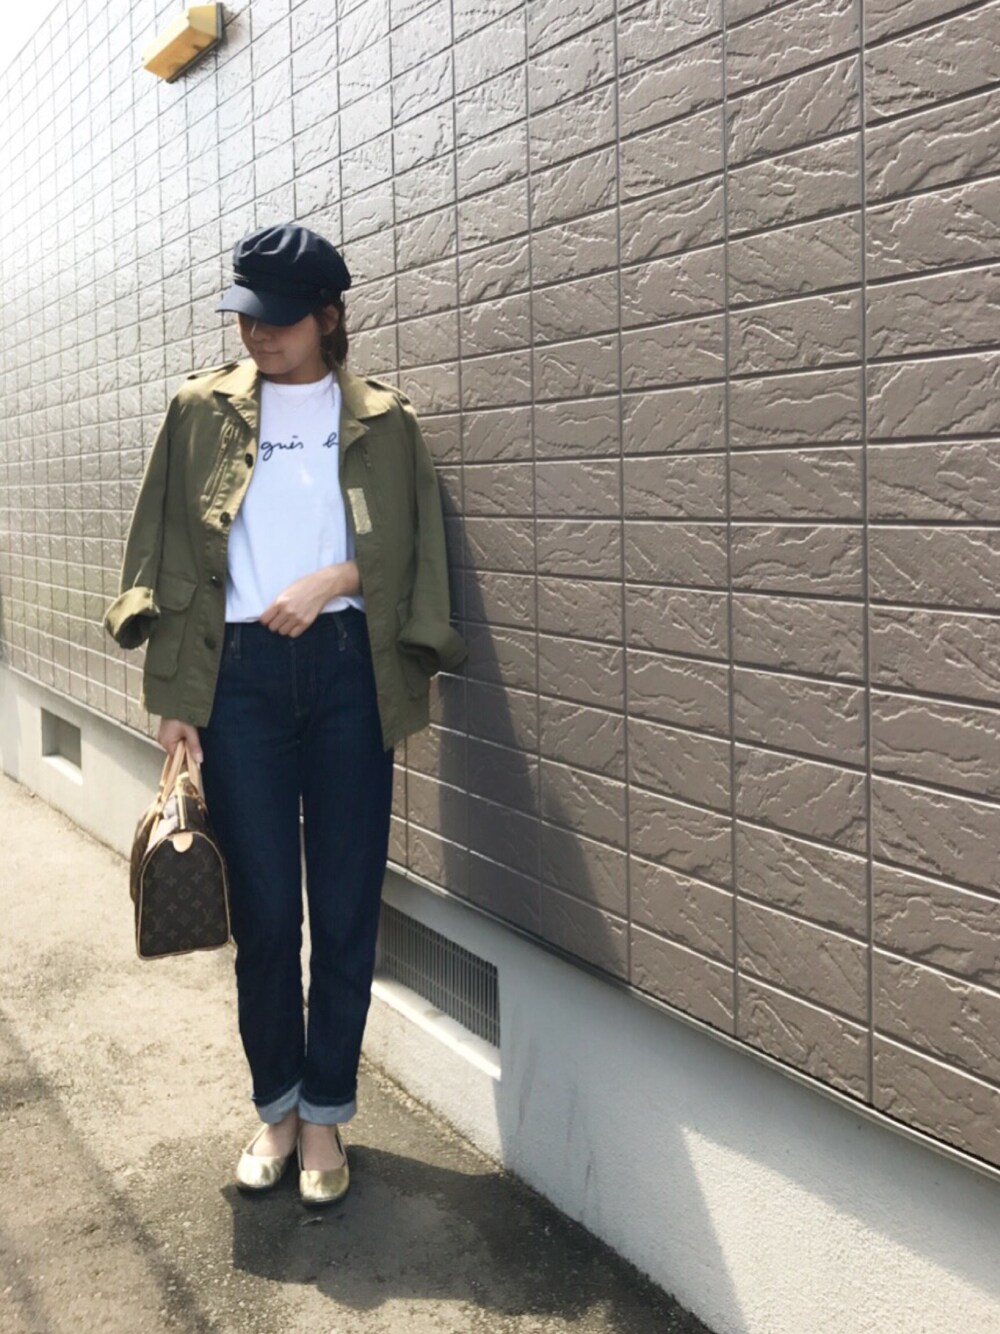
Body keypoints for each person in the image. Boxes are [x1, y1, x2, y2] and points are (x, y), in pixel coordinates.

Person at [104, 223, 466, 1206]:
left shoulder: (385, 422)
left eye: (279, 318)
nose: (257, 333)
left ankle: (327, 1115)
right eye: (246, 316)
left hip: (349, 669)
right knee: (265, 910)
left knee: (345, 905)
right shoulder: (199, 412)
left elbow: (415, 554)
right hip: (239, 678)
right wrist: (176, 702)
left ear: (329, 317)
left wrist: (334, 579)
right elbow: (163, 548)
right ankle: (277, 1105)